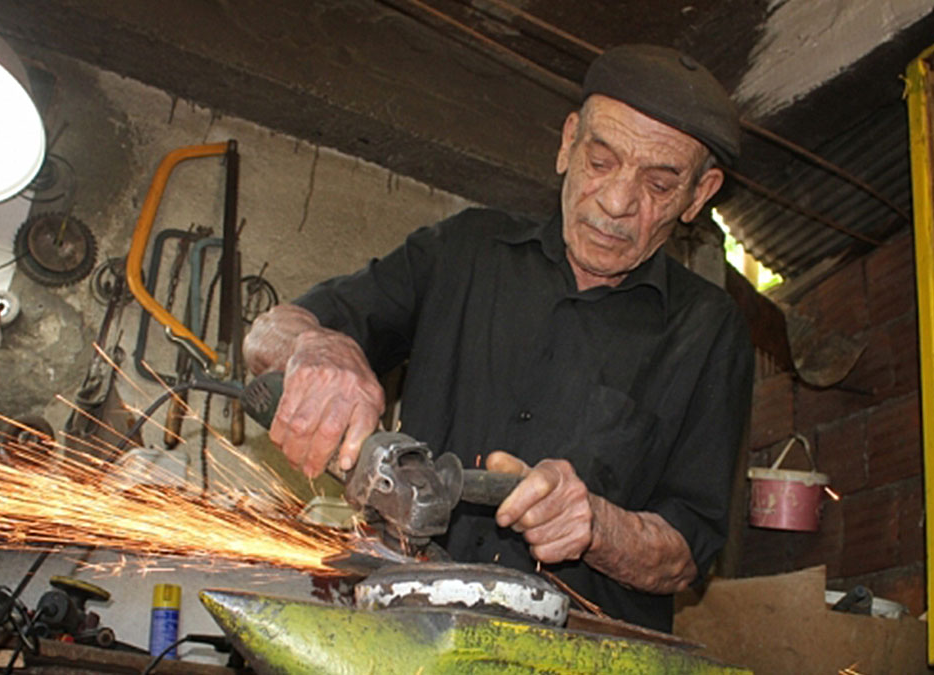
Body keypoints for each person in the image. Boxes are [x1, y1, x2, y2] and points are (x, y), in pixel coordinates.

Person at [242, 44, 753, 632]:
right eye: (601, 161)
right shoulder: (464, 249)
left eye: (659, 186)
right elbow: (269, 335)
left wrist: (595, 524)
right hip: (405, 628)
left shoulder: (710, 329)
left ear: (699, 194)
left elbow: (688, 554)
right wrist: (317, 347)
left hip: (580, 655)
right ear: (567, 143)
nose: (616, 202)